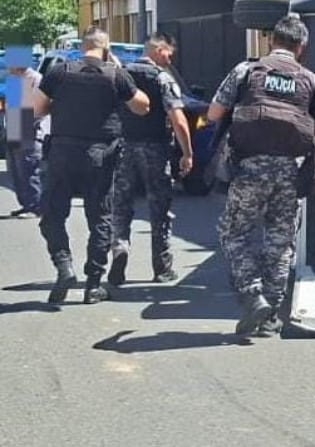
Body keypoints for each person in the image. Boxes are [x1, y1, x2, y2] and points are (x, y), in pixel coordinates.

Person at [207, 15, 315, 337]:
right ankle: (270, 316)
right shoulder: (309, 80)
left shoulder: (246, 71)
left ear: (271, 41)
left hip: (249, 168)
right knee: (280, 243)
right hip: (289, 172)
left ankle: (253, 296)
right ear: (301, 47)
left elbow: (213, 113)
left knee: (234, 233)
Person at [33, 27, 150, 304]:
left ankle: (64, 266)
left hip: (62, 152)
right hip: (101, 154)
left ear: (83, 47)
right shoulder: (115, 74)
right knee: (99, 218)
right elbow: (142, 107)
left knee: (52, 214)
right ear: (106, 48)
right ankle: (93, 285)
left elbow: (37, 109)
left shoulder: (60, 72)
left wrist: (60, 106)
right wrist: (121, 72)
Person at [108, 33, 193, 286]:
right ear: (157, 50)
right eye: (168, 53)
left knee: (121, 207)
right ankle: (162, 267)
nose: (170, 59)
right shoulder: (161, 78)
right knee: (160, 210)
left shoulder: (121, 75)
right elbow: (178, 119)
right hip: (155, 149)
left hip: (124, 148)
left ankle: (120, 248)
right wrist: (187, 153)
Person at [5, 46, 46, 218]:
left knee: (30, 170)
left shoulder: (35, 79)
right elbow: (12, 107)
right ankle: (26, 203)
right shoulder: (15, 79)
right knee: (16, 171)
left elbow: (40, 107)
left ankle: (35, 207)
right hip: (15, 128)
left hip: (30, 130)